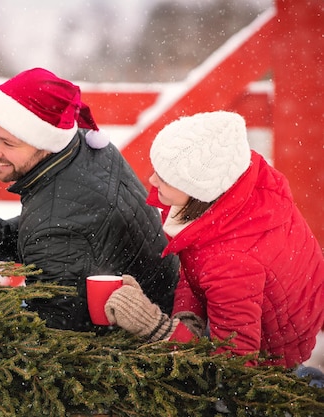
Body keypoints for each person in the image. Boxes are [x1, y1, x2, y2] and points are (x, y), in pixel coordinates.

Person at [0, 67, 179, 332]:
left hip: (134, 349)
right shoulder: (83, 148)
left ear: (43, 141)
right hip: (160, 300)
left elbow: (45, 331)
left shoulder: (61, 221)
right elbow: (55, 235)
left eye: (8, 142)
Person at [103, 111, 324, 370]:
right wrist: (188, 319)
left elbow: (232, 367)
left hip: (267, 359)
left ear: (197, 189)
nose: (152, 180)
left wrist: (155, 326)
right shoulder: (231, 193)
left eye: (164, 177)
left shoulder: (233, 261)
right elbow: (195, 259)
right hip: (259, 317)